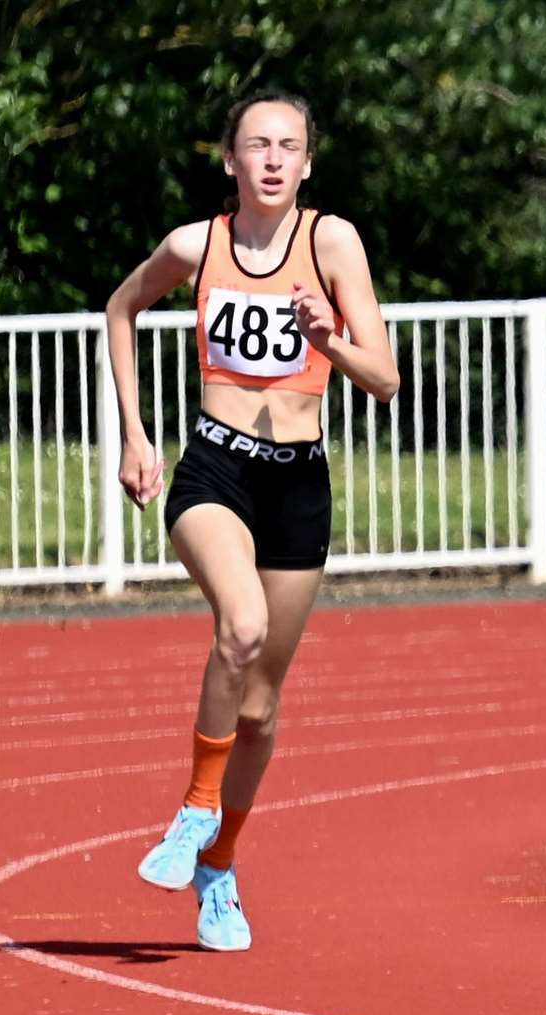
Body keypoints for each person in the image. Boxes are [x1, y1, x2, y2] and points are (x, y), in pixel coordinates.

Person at [106, 91, 398, 951]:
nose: (273, 159)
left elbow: (383, 377)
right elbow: (121, 311)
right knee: (240, 626)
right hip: (214, 470)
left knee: (262, 708)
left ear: (308, 163)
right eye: (256, 145)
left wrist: (329, 337)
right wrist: (134, 433)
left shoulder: (332, 241)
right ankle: (196, 809)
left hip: (298, 484)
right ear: (229, 160)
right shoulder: (194, 245)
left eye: (290, 146)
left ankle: (220, 867)